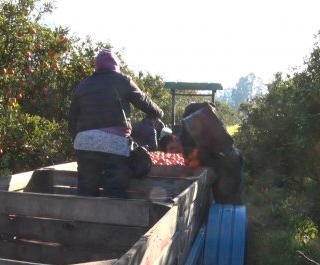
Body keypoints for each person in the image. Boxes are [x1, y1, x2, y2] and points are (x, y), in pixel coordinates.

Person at [68, 49, 164, 198]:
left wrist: (78, 141)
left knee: (86, 191)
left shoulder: (83, 84)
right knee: (115, 191)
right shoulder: (122, 80)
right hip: (114, 143)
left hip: (84, 142)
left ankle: (84, 219)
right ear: (116, 65)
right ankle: (112, 216)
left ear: (97, 66)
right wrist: (158, 113)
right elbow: (143, 101)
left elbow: (72, 118)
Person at [180, 102, 243, 204]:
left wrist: (199, 158)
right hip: (230, 160)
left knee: (226, 200)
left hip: (227, 166)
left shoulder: (200, 121)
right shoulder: (209, 121)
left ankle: (228, 214)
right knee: (230, 200)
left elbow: (206, 153)